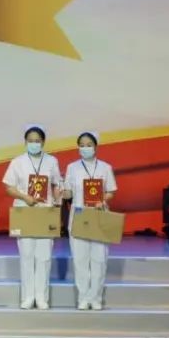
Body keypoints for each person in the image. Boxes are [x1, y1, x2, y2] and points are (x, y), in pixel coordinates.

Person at [3, 124, 63, 310]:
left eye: (37, 141)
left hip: (45, 212)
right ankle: (28, 296)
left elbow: (56, 184)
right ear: (25, 142)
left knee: (44, 257)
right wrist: (24, 197)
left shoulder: (51, 161)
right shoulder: (17, 162)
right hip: (24, 211)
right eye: (30, 141)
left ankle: (41, 297)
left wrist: (58, 201)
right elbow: (9, 187)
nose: (34, 144)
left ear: (43, 142)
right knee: (27, 256)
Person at [62, 131, 118, 311]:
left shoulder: (105, 167)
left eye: (89, 145)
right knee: (80, 259)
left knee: (99, 260)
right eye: (82, 145)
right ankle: (83, 297)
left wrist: (103, 199)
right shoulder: (72, 168)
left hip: (99, 215)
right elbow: (68, 193)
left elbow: (111, 191)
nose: (85, 148)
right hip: (79, 215)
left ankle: (96, 298)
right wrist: (61, 192)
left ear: (96, 147)